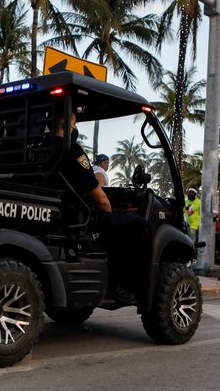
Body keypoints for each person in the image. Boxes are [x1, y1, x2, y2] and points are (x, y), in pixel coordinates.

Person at [53, 111, 150, 303]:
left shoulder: (43, 149)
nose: (76, 128)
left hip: (62, 212)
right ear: (65, 126)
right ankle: (119, 283)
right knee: (138, 224)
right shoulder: (73, 152)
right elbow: (101, 200)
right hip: (77, 217)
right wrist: (111, 212)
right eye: (74, 124)